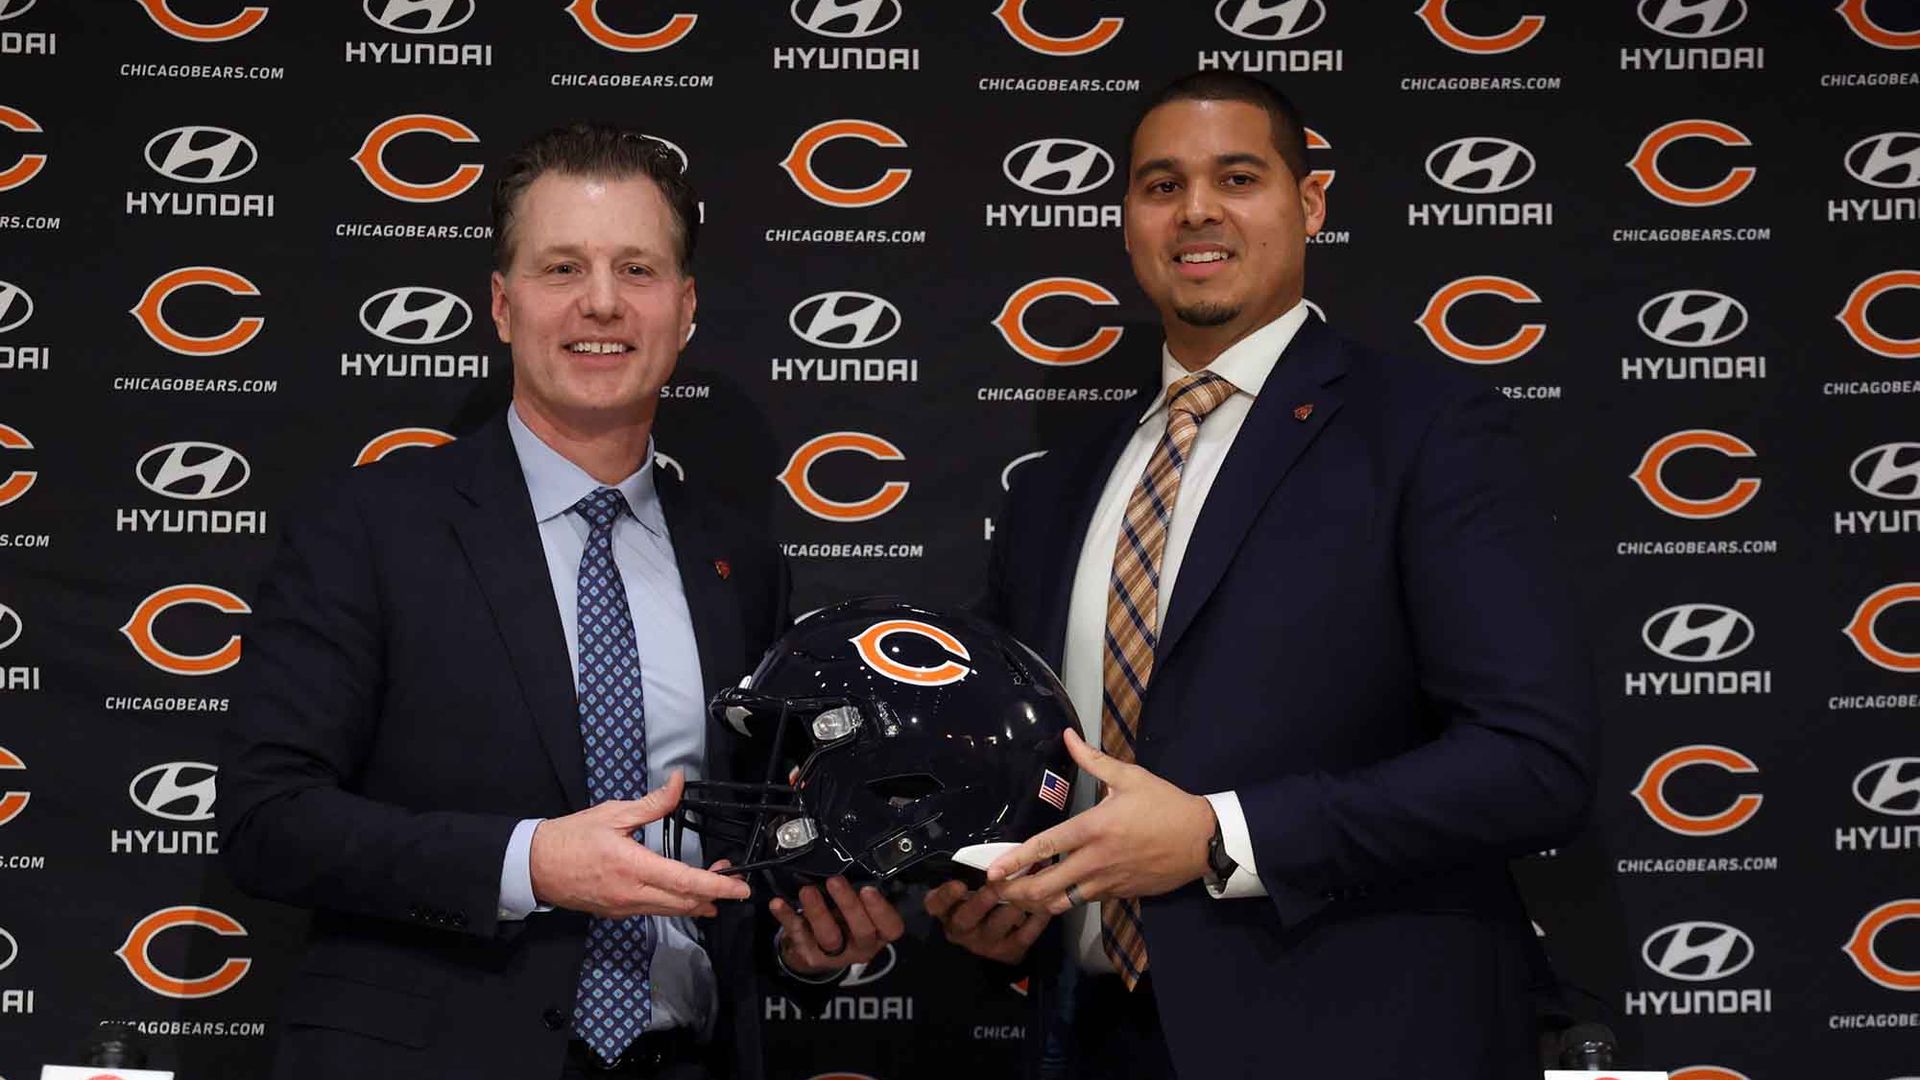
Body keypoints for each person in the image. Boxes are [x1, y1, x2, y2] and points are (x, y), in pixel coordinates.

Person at [926, 72, 1596, 1079]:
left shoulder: (1425, 430)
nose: (1196, 209)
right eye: (1161, 186)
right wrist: (995, 894)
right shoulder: (1058, 490)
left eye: (1237, 176)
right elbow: (1031, 762)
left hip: (1362, 1041)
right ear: (1126, 221)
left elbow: (1534, 762)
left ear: (1310, 202)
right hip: (1096, 1041)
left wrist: (1215, 835)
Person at [219, 124, 900, 1080]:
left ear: (686, 306)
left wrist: (801, 944)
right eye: (561, 268)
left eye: (638, 267)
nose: (603, 302)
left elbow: (740, 853)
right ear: (501, 305)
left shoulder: (740, 563)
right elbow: (266, 820)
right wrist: (529, 863)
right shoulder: (369, 525)